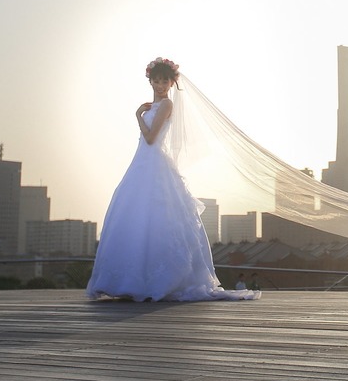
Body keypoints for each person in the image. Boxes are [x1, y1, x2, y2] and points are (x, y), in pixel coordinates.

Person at [86, 57, 260, 302]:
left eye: (164, 81)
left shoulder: (166, 105)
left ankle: (158, 281)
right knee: (135, 216)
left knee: (157, 216)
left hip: (153, 161)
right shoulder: (155, 105)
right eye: (156, 80)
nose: (160, 85)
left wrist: (138, 116)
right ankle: (128, 280)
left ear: (171, 82)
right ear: (150, 80)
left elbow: (150, 138)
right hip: (142, 163)